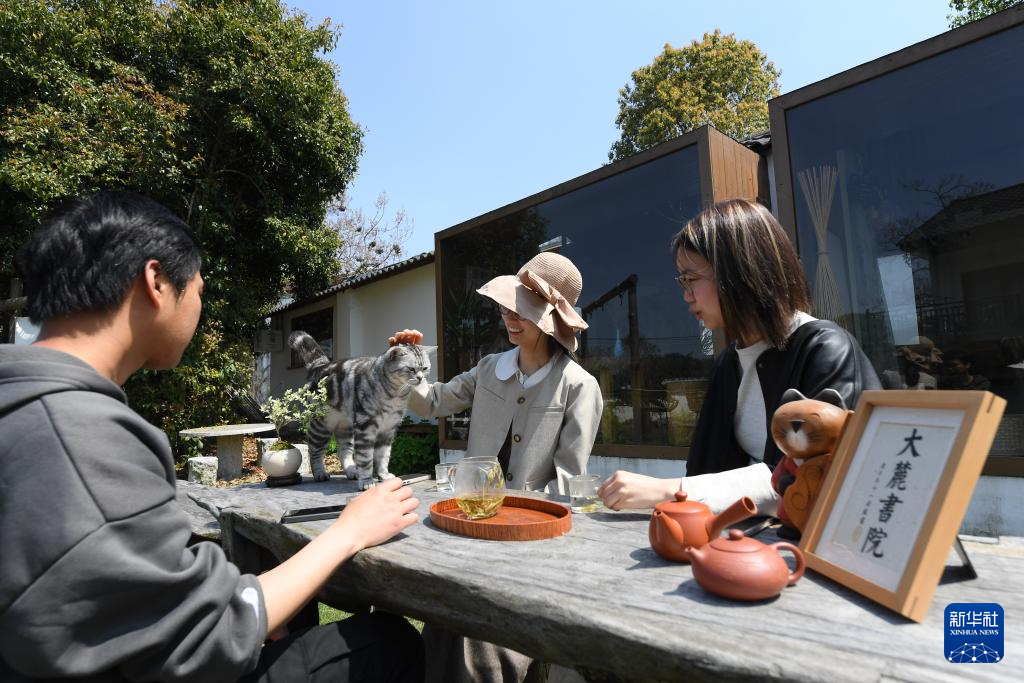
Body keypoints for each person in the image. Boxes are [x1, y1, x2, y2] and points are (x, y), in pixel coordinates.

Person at [0, 191, 424, 682]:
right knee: (389, 641)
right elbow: (208, 634)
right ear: (156, 283)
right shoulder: (82, 434)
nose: (198, 307)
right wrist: (350, 531)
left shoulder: (26, 400)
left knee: (297, 607)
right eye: (198, 289)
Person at [390, 251, 602, 683]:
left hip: (528, 549)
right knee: (443, 624)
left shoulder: (579, 386)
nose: (509, 317)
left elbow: (566, 486)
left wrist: (517, 522)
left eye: (521, 310)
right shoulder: (489, 369)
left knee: (479, 644)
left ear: (550, 319)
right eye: (506, 307)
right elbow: (433, 402)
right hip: (468, 530)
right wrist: (401, 365)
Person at [598, 198, 881, 514]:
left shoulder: (825, 349)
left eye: (691, 279)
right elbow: (707, 468)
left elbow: (808, 480)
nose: (686, 295)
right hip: (751, 536)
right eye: (682, 281)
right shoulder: (730, 361)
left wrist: (668, 490)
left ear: (739, 272)